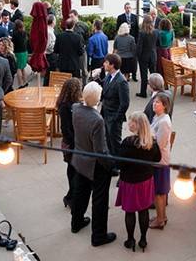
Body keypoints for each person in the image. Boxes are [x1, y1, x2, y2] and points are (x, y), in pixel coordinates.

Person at [70, 82, 116, 247]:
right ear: (98, 98)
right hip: (95, 165)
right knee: (100, 200)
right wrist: (111, 165)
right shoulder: (97, 120)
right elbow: (100, 150)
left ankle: (76, 222)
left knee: (80, 192)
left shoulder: (76, 108)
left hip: (79, 159)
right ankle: (99, 236)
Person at [116, 112, 161, 252]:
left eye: (132, 122)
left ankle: (130, 240)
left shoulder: (127, 143)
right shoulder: (151, 143)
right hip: (146, 181)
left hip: (130, 182)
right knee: (143, 211)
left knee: (130, 212)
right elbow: (157, 158)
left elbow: (120, 165)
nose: (129, 124)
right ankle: (143, 239)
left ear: (138, 125)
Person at [57, 78, 82, 209]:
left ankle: (70, 196)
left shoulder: (68, 104)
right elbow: (65, 129)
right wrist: (75, 143)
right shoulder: (66, 107)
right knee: (74, 171)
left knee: (72, 170)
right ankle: (70, 197)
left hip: (71, 143)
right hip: (71, 144)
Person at [100, 53, 130, 168]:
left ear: (112, 65)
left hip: (114, 117)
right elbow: (104, 92)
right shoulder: (108, 76)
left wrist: (116, 118)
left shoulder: (121, 81)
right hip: (105, 114)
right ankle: (110, 163)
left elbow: (125, 103)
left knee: (115, 143)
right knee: (107, 140)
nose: (104, 64)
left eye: (106, 62)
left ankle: (118, 166)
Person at [150, 92, 173, 230]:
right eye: (154, 101)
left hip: (159, 161)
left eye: (157, 102)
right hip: (157, 160)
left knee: (159, 192)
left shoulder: (164, 121)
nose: (154, 104)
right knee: (160, 191)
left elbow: (160, 144)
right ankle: (162, 216)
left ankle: (159, 220)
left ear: (164, 106)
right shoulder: (157, 117)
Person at [136, 15, 157, 98]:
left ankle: (143, 92)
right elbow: (157, 44)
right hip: (153, 55)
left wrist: (138, 56)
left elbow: (139, 46)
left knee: (144, 75)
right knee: (153, 74)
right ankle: (154, 92)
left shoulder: (142, 33)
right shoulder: (155, 32)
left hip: (144, 56)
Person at [116, 3, 139, 80]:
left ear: (131, 8)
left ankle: (134, 75)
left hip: (132, 41)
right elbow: (117, 29)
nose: (128, 9)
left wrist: (136, 41)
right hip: (124, 39)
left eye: (129, 8)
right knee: (126, 58)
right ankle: (126, 74)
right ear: (124, 8)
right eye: (126, 8)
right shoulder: (120, 17)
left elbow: (137, 30)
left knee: (133, 59)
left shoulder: (134, 17)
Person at [70, 10, 90, 80]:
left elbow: (87, 38)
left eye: (72, 16)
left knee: (84, 70)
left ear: (76, 16)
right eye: (70, 17)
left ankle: (85, 86)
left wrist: (85, 46)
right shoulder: (70, 26)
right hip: (73, 52)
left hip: (82, 51)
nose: (71, 18)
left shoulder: (84, 26)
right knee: (75, 70)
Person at [11, 19, 29, 88]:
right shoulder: (24, 33)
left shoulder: (15, 34)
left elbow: (13, 43)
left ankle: (21, 84)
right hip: (25, 52)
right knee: (23, 68)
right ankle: (25, 81)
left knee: (18, 68)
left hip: (18, 52)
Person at [44, 14, 57, 85]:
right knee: (49, 75)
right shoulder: (49, 32)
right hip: (50, 55)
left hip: (50, 55)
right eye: (55, 20)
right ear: (52, 21)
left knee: (49, 74)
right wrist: (55, 47)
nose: (56, 22)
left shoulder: (49, 30)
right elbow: (48, 46)